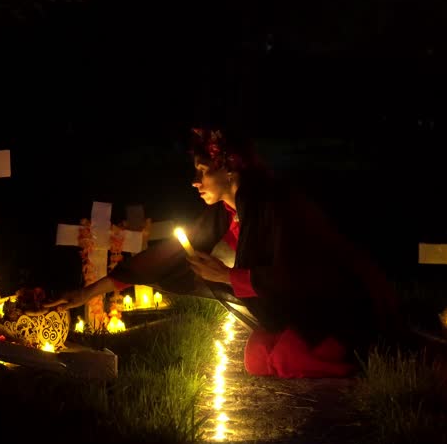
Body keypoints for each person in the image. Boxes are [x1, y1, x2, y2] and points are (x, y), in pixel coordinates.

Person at [47, 128, 401, 378]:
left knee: (287, 358)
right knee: (257, 358)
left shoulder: (275, 204)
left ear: (229, 167)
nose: (195, 181)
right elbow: (167, 256)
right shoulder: (226, 213)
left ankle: (360, 359)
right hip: (296, 311)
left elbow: (300, 273)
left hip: (333, 309)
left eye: (203, 170)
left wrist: (227, 276)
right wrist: (85, 293)